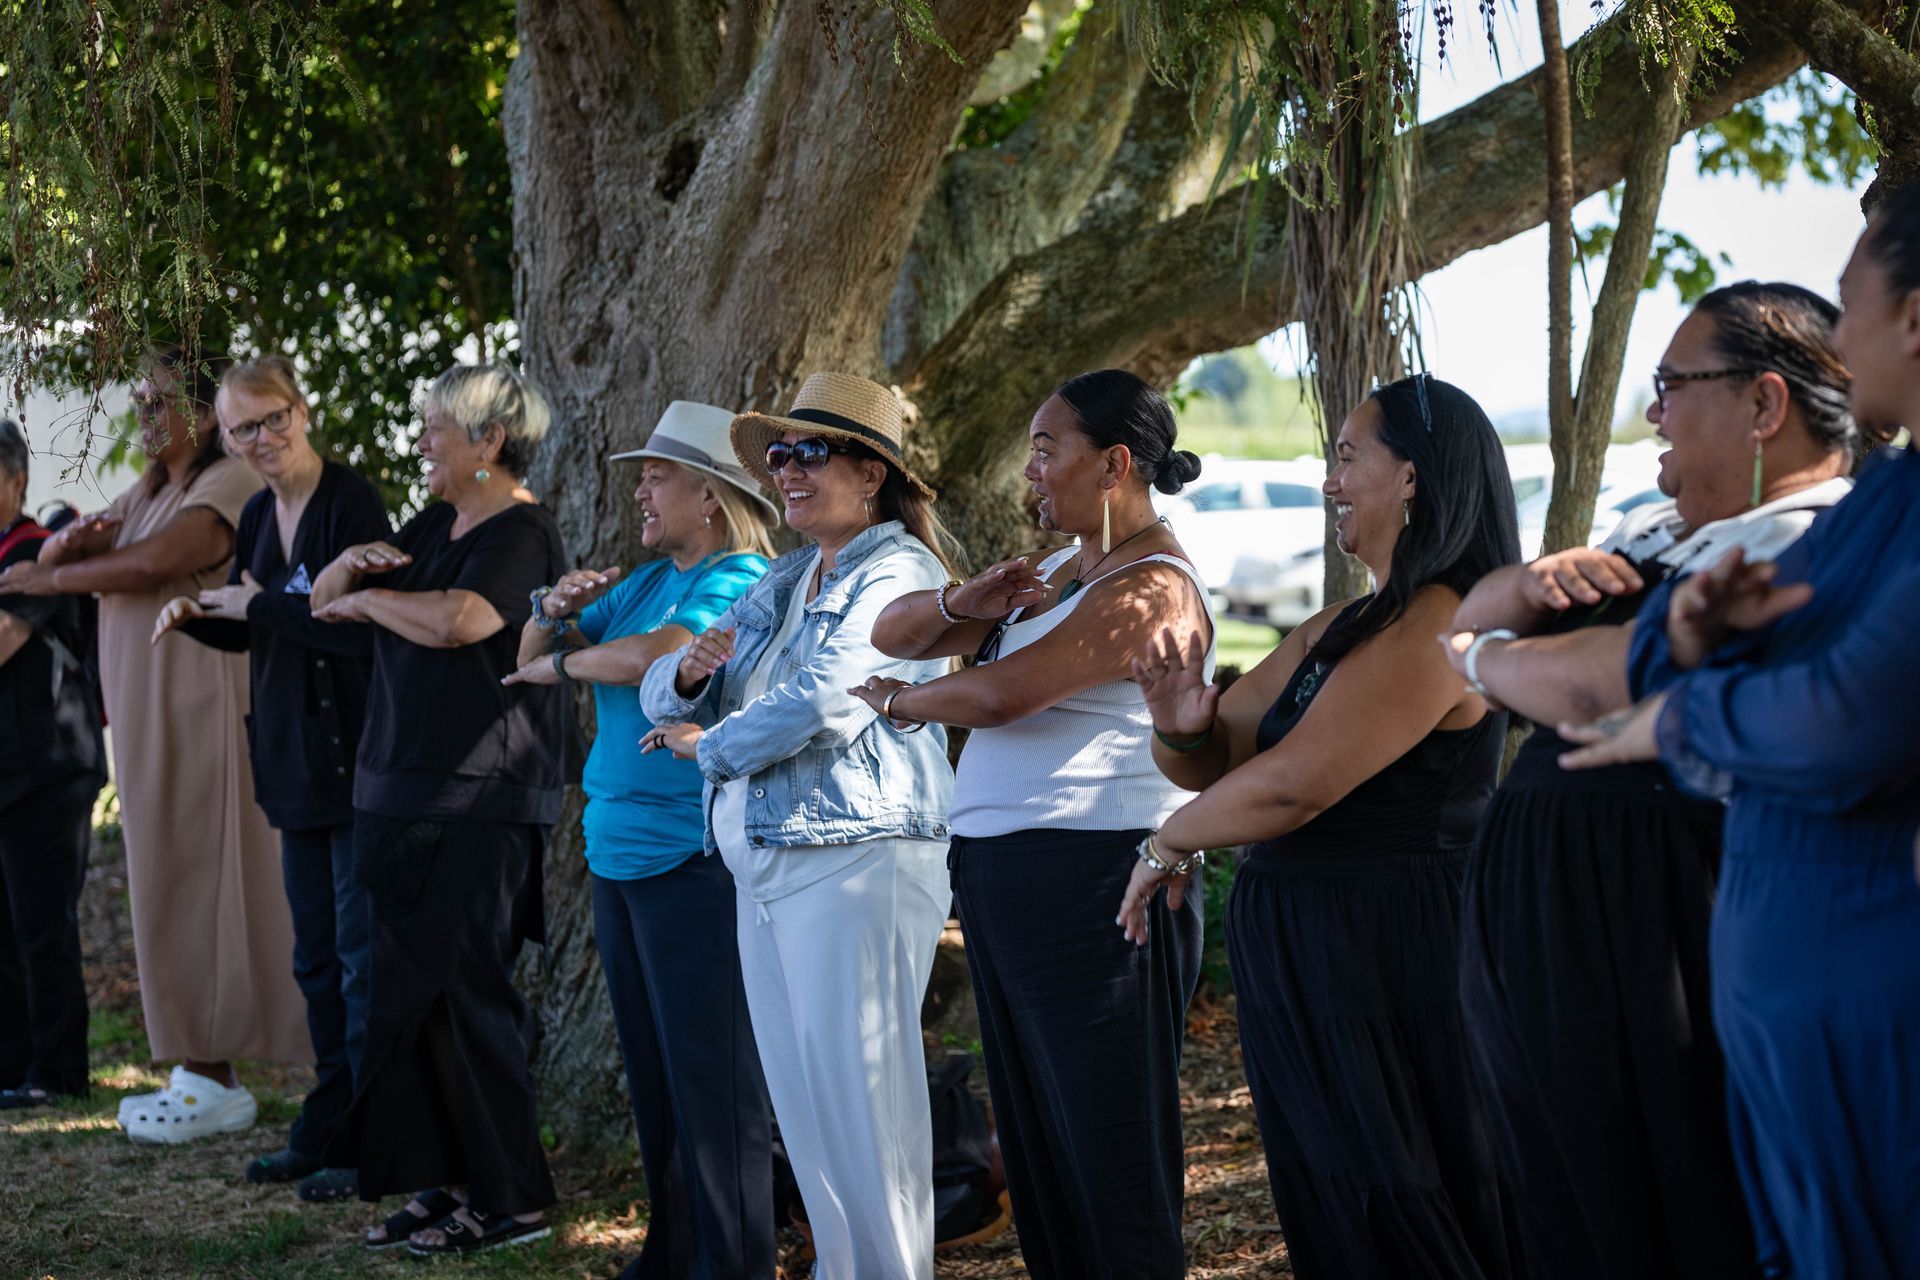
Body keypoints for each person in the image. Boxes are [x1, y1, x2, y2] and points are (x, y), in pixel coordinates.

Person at [1439, 283, 1857, 1280]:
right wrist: (1513, 608)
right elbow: (1486, 607)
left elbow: (1607, 678)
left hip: (1663, 921)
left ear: (1765, 405)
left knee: (1660, 1198)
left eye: (1673, 385)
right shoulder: (1654, 523)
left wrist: (1481, 658)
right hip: (1555, 927)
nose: (1654, 412)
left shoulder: (1806, 537)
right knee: (1558, 1198)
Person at [1558, 184, 1920, 1280]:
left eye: (1851, 307)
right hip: (1792, 1019)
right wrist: (1693, 635)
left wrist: (1680, 712)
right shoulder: (1889, 497)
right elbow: (1714, 633)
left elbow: (1844, 718)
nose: (1840, 348)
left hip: (1878, 1012)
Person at [1124, 374, 1519, 1280]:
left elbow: (1296, 785)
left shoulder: (1443, 620)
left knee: (1407, 1189)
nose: (1330, 481)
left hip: (1389, 949)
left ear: (1412, 478)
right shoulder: (1342, 622)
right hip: (1308, 948)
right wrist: (1179, 718)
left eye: (1348, 457)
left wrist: (1168, 839)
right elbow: (1220, 757)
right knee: (1332, 1190)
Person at [856, 369, 1212, 1279]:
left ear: (1115, 464)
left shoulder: (1153, 587)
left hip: (1099, 885)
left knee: (1107, 1149)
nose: (1031, 471)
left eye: (1049, 449)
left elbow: (1005, 693)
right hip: (1017, 884)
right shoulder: (1054, 570)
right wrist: (962, 602)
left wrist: (898, 704)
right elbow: (892, 632)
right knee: (1041, 1142)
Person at [638, 372, 956, 1280]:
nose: (786, 469)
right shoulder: (787, 573)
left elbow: (828, 697)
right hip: (773, 861)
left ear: (871, 472)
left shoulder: (898, 570)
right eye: (779, 454)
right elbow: (663, 679)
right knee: (807, 1104)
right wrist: (692, 675)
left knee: (864, 1104)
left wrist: (710, 743)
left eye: (808, 452)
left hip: (857, 859)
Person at [0, 347, 309, 1141]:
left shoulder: (225, 483)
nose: (139, 415)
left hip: (201, 708)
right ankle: (192, 1063)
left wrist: (50, 580)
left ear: (205, 416)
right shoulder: (150, 487)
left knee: (204, 873)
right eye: (137, 400)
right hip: (146, 719)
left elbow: (159, 561)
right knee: (163, 876)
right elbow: (103, 546)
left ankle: (218, 1071)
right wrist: (64, 552)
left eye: (155, 402)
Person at [501, 401, 777, 1278]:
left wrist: (562, 663)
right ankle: (674, 1254)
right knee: (656, 1078)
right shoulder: (648, 577)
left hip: (692, 861)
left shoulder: (737, 574)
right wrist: (553, 609)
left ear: (710, 493)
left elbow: (664, 654)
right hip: (619, 857)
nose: (642, 492)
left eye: (658, 476)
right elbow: (528, 647)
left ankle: (733, 1264)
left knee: (713, 1080)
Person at [309, 363, 566, 1256]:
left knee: (468, 999)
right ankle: (444, 1184)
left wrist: (373, 598)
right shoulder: (431, 523)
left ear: (489, 441)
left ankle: (515, 1199)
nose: (420, 441)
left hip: (474, 795)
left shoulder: (523, 531)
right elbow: (321, 603)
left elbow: (463, 619)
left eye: (436, 428)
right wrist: (346, 566)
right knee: (404, 1005)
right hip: (394, 789)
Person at [149, 356, 392, 1199]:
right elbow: (265, 626)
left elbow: (356, 628)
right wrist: (196, 617)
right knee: (316, 963)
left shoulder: (353, 502)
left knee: (361, 962)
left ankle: (370, 1140)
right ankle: (324, 1128)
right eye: (241, 428)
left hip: (355, 763)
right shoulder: (255, 513)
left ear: (303, 409)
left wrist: (254, 605)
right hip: (289, 764)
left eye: (272, 419)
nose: (261, 439)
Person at [0, 419, 107, 1111]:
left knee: (43, 926)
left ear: (14, 481)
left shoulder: (35, 553)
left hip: (47, 769)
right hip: (10, 773)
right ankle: (16, 1069)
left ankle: (59, 1071)